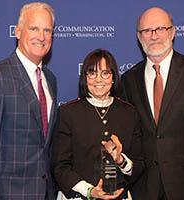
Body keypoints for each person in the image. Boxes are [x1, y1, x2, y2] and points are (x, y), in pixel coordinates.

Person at [121, 7, 184, 200]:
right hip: (142, 188)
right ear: (139, 37)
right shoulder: (128, 79)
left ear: (173, 32)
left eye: (160, 29)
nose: (154, 36)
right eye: (146, 31)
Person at [0, 2, 57, 200]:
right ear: (17, 32)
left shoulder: (50, 79)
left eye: (47, 30)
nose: (41, 37)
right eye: (34, 28)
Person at [52, 49, 144, 200]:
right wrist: (89, 191)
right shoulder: (68, 113)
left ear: (113, 77)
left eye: (105, 73)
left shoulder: (129, 113)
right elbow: (60, 167)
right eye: (92, 73)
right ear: (85, 78)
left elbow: (139, 165)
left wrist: (121, 160)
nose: (98, 80)